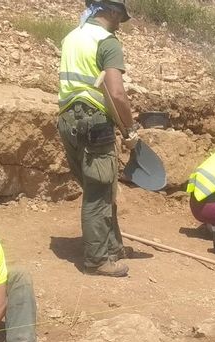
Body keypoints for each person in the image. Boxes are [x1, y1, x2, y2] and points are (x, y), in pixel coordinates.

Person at [57, 0, 138, 277]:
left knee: (98, 188)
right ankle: (97, 260)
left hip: (67, 119)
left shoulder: (72, 36)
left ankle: (112, 247)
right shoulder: (107, 41)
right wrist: (129, 128)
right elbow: (116, 94)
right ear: (112, 12)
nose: (120, 24)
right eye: (120, 17)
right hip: (94, 124)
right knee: (99, 193)